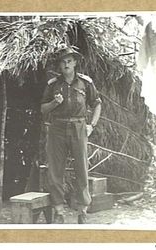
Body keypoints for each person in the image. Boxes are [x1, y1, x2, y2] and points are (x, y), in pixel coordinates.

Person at [41, 47, 102, 224]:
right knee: (55, 169)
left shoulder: (85, 83)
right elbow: (43, 109)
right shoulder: (53, 84)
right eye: (63, 61)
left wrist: (92, 125)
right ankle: (59, 211)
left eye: (69, 61)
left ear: (75, 62)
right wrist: (54, 102)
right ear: (59, 65)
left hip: (79, 126)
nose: (66, 64)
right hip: (57, 127)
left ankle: (82, 210)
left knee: (81, 168)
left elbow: (97, 103)